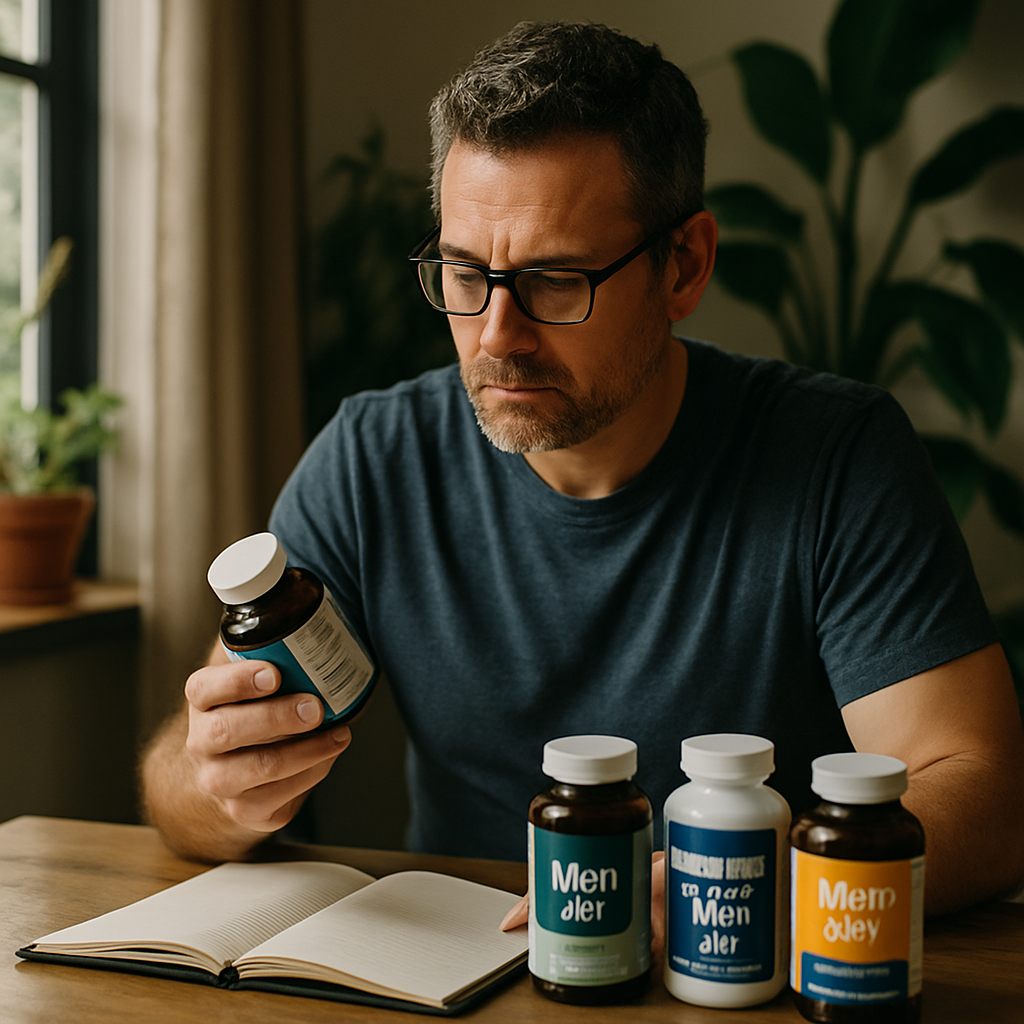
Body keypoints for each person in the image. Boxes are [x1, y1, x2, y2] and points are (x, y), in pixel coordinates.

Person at [141, 21, 1024, 921]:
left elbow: (982, 795)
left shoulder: (837, 456)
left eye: (557, 280)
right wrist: (216, 785)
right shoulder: (375, 457)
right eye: (463, 272)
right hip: (454, 971)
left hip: (733, 973)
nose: (495, 337)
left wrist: (736, 889)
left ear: (684, 266)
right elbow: (182, 790)